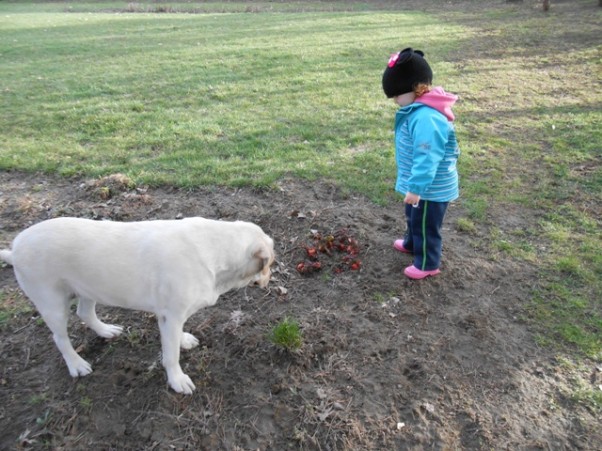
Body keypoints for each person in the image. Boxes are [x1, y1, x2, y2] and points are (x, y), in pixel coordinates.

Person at [381, 47, 460, 280]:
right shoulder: (417, 110)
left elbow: (427, 157)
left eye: (396, 94)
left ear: (415, 89)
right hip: (419, 185)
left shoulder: (426, 118)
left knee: (426, 225)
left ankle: (428, 263)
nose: (395, 100)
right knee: (414, 217)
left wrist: (416, 188)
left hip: (430, 189)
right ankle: (411, 243)